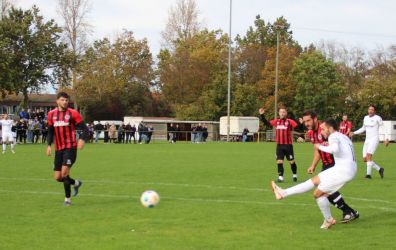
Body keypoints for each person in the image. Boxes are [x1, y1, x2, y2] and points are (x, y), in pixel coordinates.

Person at [271, 118, 357, 229]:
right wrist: (326, 145)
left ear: (330, 128)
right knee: (314, 180)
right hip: (344, 168)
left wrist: (319, 146)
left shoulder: (333, 136)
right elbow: (341, 149)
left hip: (344, 171)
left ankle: (328, 220)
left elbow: (334, 149)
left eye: (323, 129)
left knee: (317, 194)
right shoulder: (342, 136)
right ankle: (283, 193)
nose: (321, 132)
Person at [302, 111, 359, 223]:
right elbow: (317, 150)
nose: (306, 123)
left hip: (334, 163)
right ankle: (349, 212)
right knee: (325, 191)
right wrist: (313, 165)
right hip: (325, 163)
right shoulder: (310, 133)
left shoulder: (324, 129)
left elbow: (333, 147)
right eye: (304, 121)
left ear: (315, 119)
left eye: (308, 120)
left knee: (325, 191)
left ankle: (347, 212)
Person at [47, 92, 88, 206]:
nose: (65, 102)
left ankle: (67, 200)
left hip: (70, 147)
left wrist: (82, 139)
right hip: (58, 149)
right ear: (57, 101)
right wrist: (49, 146)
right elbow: (50, 131)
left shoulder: (73, 113)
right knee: (57, 177)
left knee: (64, 173)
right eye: (62, 100)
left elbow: (85, 129)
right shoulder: (51, 114)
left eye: (66, 100)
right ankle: (76, 183)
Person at [259, 108, 301, 182]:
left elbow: (298, 127)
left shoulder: (290, 121)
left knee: (291, 162)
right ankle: (281, 177)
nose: (282, 113)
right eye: (281, 112)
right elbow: (267, 123)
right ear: (279, 113)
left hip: (288, 146)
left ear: (286, 113)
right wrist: (262, 115)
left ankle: (294, 174)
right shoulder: (277, 121)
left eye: (283, 112)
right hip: (279, 146)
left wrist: (301, 123)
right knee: (279, 161)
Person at [350, 105, 390, 179]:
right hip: (367, 140)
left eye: (372, 110)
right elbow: (363, 128)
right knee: (365, 159)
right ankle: (379, 169)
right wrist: (354, 132)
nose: (370, 111)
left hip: (374, 139)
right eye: (369, 109)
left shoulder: (378, 118)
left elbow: (384, 128)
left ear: (374, 111)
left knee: (369, 156)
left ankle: (368, 175)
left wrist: (386, 138)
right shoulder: (365, 118)